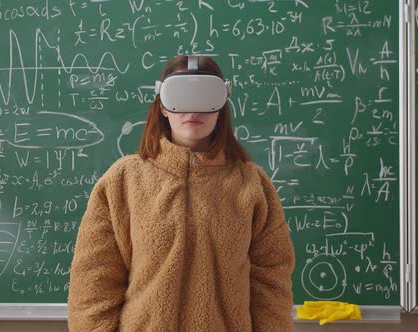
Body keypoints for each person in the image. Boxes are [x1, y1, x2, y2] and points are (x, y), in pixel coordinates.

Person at [67, 55, 295, 331]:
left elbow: (272, 284)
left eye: (204, 97)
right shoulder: (123, 182)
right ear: (162, 105)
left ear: (222, 104)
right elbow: (94, 283)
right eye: (180, 96)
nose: (192, 111)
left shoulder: (252, 185)